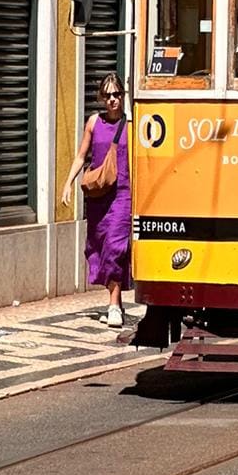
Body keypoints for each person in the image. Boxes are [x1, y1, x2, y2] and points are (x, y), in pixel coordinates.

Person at [64, 75, 131, 328]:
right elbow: (82, 156)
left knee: (115, 247)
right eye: (108, 96)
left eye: (117, 95)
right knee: (100, 245)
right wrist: (68, 183)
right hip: (98, 196)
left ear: (123, 96)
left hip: (123, 194)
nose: (113, 100)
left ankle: (113, 306)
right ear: (102, 99)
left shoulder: (132, 124)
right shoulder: (93, 122)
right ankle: (116, 300)